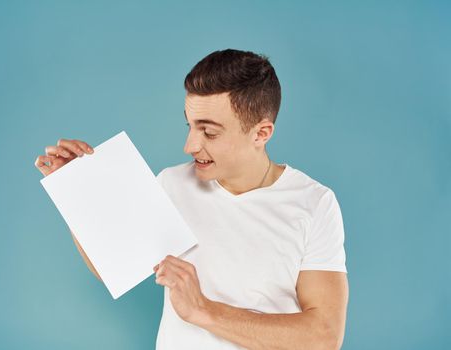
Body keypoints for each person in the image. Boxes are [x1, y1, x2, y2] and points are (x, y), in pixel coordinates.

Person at [35, 49, 349, 350]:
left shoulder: (314, 203)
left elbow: (323, 337)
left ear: (261, 133)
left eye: (209, 133)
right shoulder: (172, 184)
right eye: (190, 125)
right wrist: (73, 190)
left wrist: (203, 310)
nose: (190, 145)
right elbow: (111, 267)